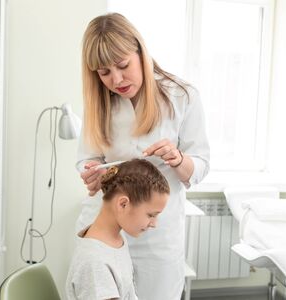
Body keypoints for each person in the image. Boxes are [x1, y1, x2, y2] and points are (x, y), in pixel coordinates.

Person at [76, 13, 210, 300]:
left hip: (156, 236)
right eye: (104, 73)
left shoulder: (182, 96)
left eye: (123, 65)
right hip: (107, 233)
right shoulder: (100, 104)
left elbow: (201, 165)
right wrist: (92, 172)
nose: (116, 79)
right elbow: (86, 159)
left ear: (140, 51)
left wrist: (178, 159)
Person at [66, 159, 170, 300]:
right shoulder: (95, 263)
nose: (154, 224)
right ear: (123, 204)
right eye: (151, 215)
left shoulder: (116, 237)